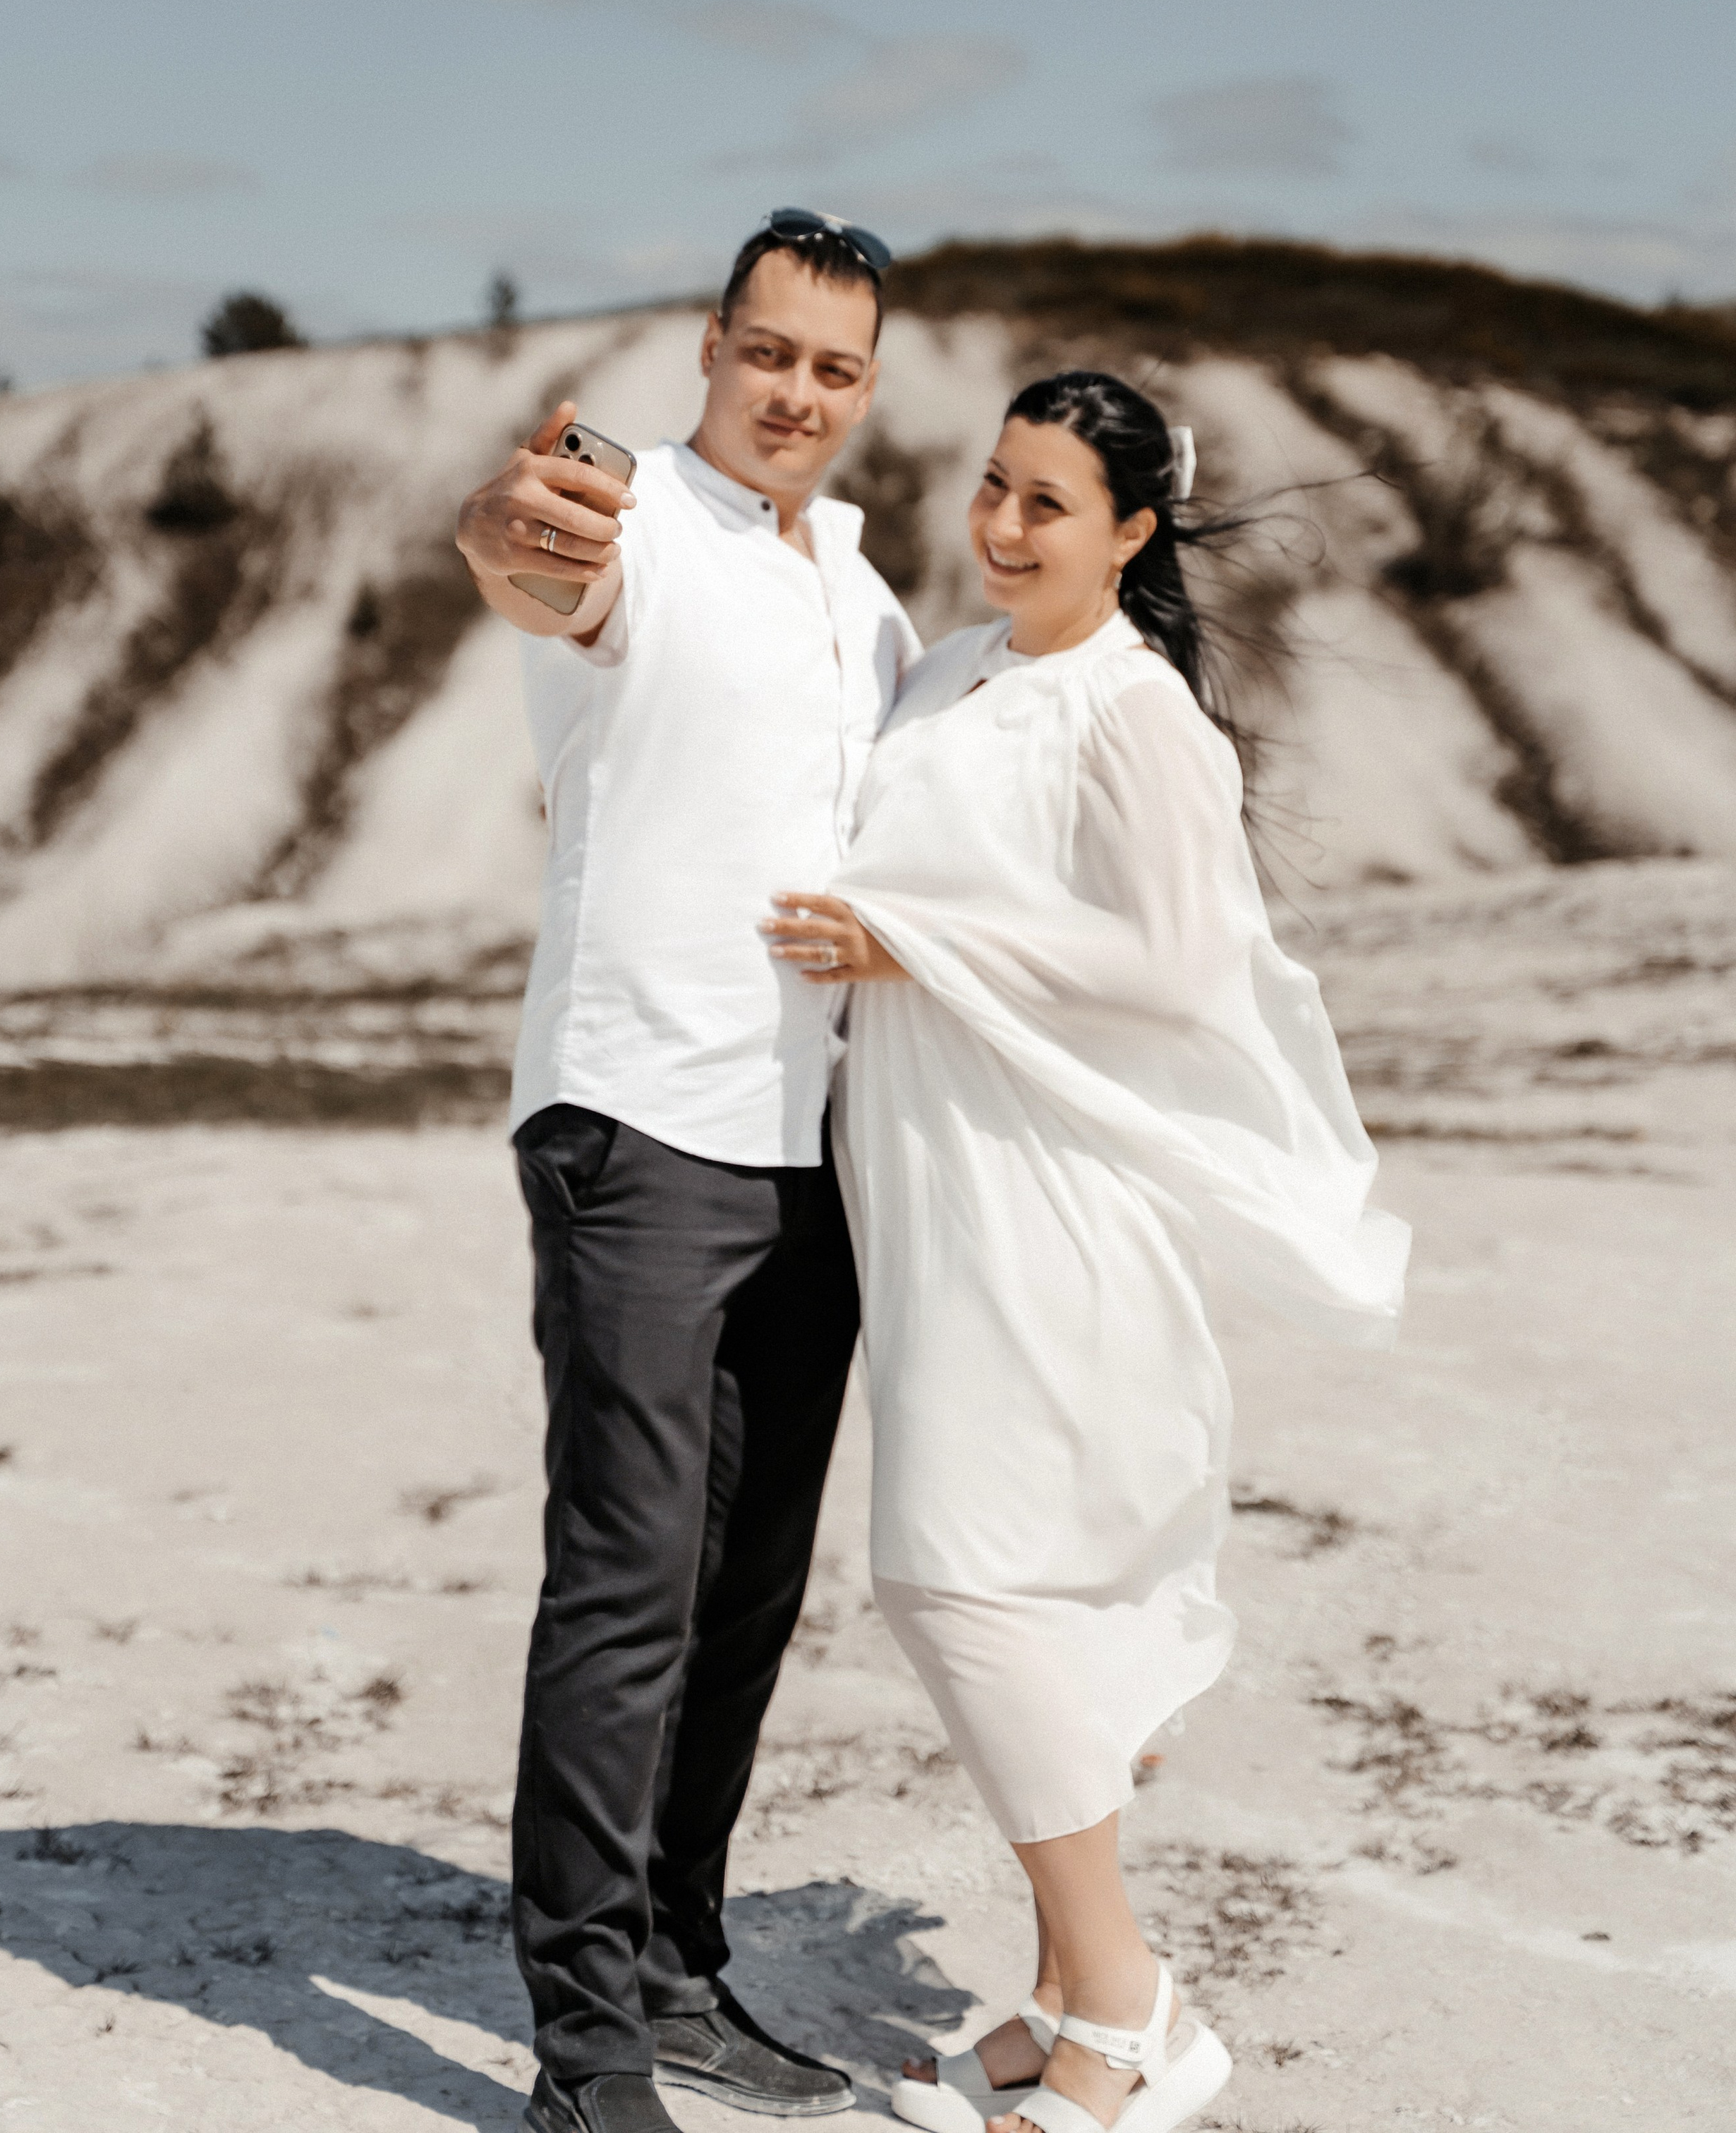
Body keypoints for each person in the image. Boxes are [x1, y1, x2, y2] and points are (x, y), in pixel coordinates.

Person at [763, 370, 1409, 2133]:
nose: (997, 526)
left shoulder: (1133, 713)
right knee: (1007, 1576)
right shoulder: (956, 670)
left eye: (1045, 503)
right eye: (991, 485)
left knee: (950, 1576)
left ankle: (1129, 1999)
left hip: (1045, 1191)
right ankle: (1057, 2001)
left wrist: (916, 943)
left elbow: (1182, 969)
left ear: (1130, 532)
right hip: (925, 1180)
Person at [456, 212, 920, 2133]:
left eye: (834, 368)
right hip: (636, 1117)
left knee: (747, 1590)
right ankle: (582, 2060)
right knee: (627, 1583)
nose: (795, 392)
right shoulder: (625, 513)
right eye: (767, 352)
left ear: (865, 388)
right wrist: (517, 520)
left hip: (808, 1147)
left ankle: (672, 1960)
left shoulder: (864, 591)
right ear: (711, 349)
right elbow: (522, 556)